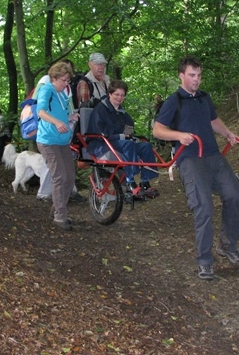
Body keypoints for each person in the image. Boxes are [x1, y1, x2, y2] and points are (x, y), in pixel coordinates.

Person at [153, 56, 239, 280]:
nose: (197, 80)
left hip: (213, 156)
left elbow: (213, 120)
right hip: (191, 159)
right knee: (203, 206)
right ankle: (205, 260)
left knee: (235, 195)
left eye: (199, 75)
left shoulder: (204, 98)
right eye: (192, 75)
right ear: (181, 76)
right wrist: (179, 136)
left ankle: (227, 245)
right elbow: (157, 130)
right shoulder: (174, 101)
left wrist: (228, 134)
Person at [87, 80, 159, 201]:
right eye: (116, 94)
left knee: (146, 146)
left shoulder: (122, 112)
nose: (119, 98)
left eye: (122, 95)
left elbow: (129, 129)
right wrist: (121, 137)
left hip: (121, 143)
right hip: (102, 143)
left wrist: (131, 137)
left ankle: (145, 182)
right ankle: (130, 182)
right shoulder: (100, 110)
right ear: (110, 94)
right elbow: (99, 133)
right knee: (128, 144)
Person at [36, 61, 78, 230]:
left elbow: (61, 114)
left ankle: (56, 209)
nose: (66, 84)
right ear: (53, 78)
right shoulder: (47, 89)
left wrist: (70, 118)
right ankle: (60, 217)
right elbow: (41, 112)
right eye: (63, 80)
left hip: (63, 142)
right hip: (48, 141)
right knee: (59, 176)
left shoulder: (62, 95)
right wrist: (57, 122)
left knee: (69, 177)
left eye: (67, 81)